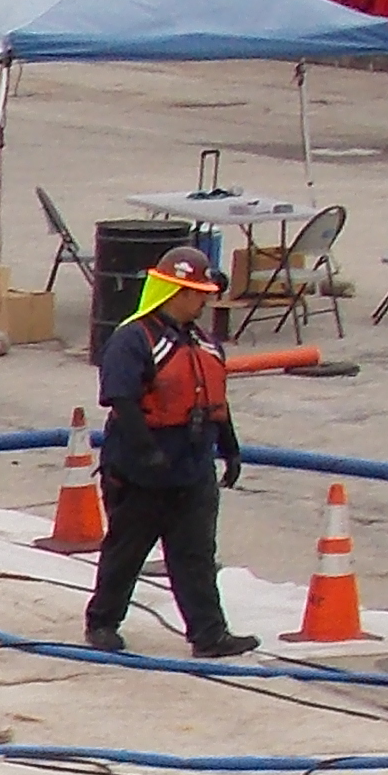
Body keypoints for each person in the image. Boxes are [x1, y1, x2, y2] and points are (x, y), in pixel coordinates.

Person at [87, 245, 261, 661]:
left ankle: (209, 635)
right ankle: (102, 622)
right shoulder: (134, 340)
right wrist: (146, 454)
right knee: (126, 550)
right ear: (176, 292)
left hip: (192, 467)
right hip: (141, 470)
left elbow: (215, 399)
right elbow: (121, 401)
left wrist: (230, 448)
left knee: (196, 554)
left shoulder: (204, 343)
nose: (204, 300)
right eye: (198, 293)